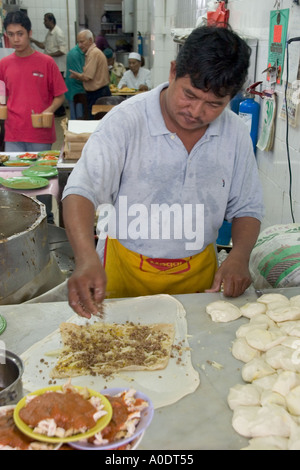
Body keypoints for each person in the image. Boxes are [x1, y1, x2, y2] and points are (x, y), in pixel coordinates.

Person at [62, 26, 264, 318]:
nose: (196, 111)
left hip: (198, 278)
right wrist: (84, 258)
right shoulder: (126, 122)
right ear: (173, 72)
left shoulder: (234, 135)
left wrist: (240, 256)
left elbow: (247, 206)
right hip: (124, 273)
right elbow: (81, 190)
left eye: (214, 104)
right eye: (189, 95)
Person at [0, 11, 67, 222]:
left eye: (20, 33)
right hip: (13, 134)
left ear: (29, 33)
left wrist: (48, 110)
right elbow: (2, 95)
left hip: (39, 135)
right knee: (14, 184)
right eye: (11, 34)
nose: (16, 39)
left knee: (42, 185)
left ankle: (46, 222)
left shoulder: (46, 62)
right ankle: (20, 223)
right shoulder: (4, 65)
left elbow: (59, 96)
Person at [31, 13, 67, 117]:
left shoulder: (58, 32)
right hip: (51, 66)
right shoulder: (50, 33)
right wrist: (33, 40)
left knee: (57, 91)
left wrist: (47, 56)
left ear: (51, 21)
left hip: (58, 67)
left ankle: (60, 111)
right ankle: (57, 110)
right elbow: (44, 46)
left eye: (45, 20)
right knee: (51, 90)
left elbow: (63, 50)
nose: (44, 22)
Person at [69, 30, 111, 119]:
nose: (79, 45)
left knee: (95, 121)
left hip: (98, 93)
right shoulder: (92, 53)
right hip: (97, 92)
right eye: (78, 42)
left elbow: (87, 77)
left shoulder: (93, 53)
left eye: (82, 42)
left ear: (90, 40)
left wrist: (77, 76)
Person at [65, 44, 86, 120]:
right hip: (76, 89)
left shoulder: (80, 53)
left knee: (78, 116)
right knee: (77, 118)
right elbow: (77, 74)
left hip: (77, 89)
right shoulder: (75, 54)